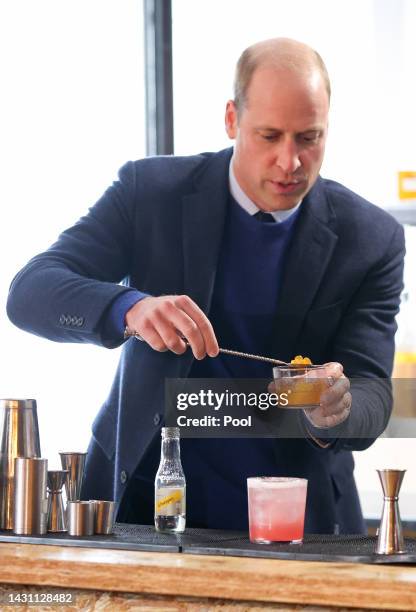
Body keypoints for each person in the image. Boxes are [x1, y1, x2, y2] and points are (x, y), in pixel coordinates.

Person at [7, 38, 404, 534]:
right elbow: (29, 294)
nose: (290, 162)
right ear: (232, 120)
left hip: (299, 518)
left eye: (309, 137)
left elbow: (373, 396)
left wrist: (336, 409)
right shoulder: (148, 192)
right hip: (140, 503)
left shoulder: (372, 238)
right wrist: (129, 308)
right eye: (269, 135)